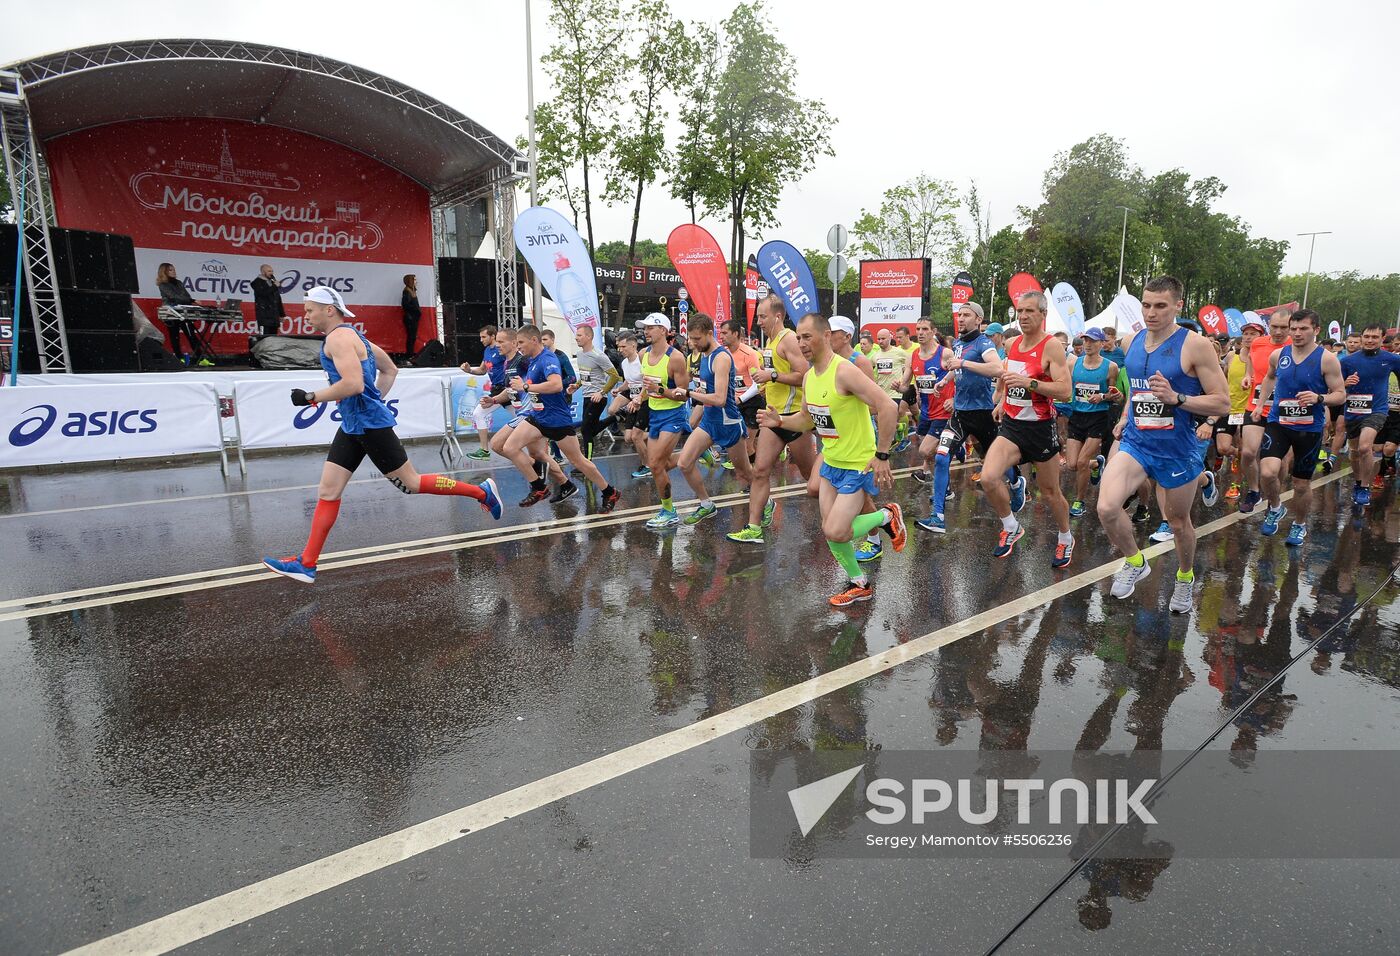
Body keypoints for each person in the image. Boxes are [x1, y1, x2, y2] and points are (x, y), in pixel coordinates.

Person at [262, 286, 502, 584]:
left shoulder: (338, 339)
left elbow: (353, 385)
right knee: (328, 490)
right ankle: (307, 563)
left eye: (310, 309)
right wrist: (375, 401)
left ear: (328, 309)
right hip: (354, 424)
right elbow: (389, 370)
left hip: (369, 425)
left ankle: (482, 492)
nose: (305, 315)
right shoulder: (354, 336)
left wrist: (312, 396)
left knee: (411, 483)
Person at [1097, 276, 1230, 613]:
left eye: (1160, 306)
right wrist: (1127, 414)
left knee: (1177, 523)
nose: (1151, 312)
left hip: (1177, 450)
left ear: (1177, 306)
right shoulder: (1131, 342)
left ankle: (1185, 578)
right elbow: (1140, 390)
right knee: (1107, 508)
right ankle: (1135, 561)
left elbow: (1222, 403)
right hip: (1137, 443)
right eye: (1146, 305)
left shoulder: (1194, 345)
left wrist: (1178, 398)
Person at [758, 313, 906, 607]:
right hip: (831, 463)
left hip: (856, 464)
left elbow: (887, 406)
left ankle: (888, 516)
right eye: (798, 337)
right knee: (833, 532)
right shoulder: (810, 377)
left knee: (836, 530)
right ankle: (859, 583)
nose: (801, 344)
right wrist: (779, 421)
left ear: (826, 336)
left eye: (807, 337)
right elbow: (805, 419)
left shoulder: (844, 372)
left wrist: (882, 454)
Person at [980, 291, 1075, 566]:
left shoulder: (1051, 346)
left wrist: (1031, 384)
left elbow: (1066, 391)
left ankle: (1065, 537)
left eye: (1029, 311)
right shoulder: (1012, 344)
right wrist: (1003, 400)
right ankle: (1011, 527)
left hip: (1040, 428)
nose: (1023, 316)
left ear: (1043, 315)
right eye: (1020, 311)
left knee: (1050, 492)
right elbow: (1009, 374)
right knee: (988, 477)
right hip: (1012, 426)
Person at [501, 325, 622, 511]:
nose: (519, 347)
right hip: (538, 417)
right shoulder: (532, 361)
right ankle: (539, 488)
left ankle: (609, 491)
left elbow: (556, 385)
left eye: (521, 343)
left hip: (557, 420)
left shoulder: (548, 358)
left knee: (578, 461)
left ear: (534, 340)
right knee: (509, 447)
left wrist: (525, 387)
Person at [728, 295, 818, 543]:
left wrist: (773, 375)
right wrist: (765, 382)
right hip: (772, 417)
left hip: (794, 418)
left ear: (777, 316)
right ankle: (754, 527)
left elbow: (805, 375)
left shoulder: (789, 339)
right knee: (760, 470)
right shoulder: (770, 341)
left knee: (812, 477)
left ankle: (839, 514)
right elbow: (773, 377)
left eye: (762, 316)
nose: (758, 321)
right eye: (758, 316)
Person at [1252, 308, 1346, 544]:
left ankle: (1300, 524)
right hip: (1279, 422)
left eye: (1303, 328)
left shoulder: (1327, 359)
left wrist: (1319, 398)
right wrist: (1260, 404)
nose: (1296, 333)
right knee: (1267, 471)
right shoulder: (1279, 355)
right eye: (1293, 328)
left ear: (1316, 330)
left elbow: (1341, 395)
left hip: (1309, 428)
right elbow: (1270, 378)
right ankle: (1275, 507)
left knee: (1301, 484)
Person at [916, 302, 1006, 535]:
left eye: (967, 315)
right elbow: (958, 369)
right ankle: (937, 516)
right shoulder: (958, 343)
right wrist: (945, 380)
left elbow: (997, 369)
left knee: (997, 463)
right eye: (959, 314)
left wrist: (963, 363)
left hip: (982, 414)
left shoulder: (984, 343)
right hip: (959, 414)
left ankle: (1017, 484)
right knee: (942, 456)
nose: (961, 318)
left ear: (978, 319)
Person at [677, 314, 754, 525]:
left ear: (709, 333)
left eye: (697, 338)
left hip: (728, 422)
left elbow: (719, 399)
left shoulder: (722, 357)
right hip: (709, 422)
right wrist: (691, 421)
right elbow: (705, 393)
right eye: (691, 339)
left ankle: (766, 503)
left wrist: (688, 394)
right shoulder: (703, 355)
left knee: (745, 472)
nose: (693, 343)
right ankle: (706, 505)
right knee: (684, 463)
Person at [636, 313, 692, 528]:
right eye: (645, 327)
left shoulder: (676, 358)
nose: (646, 331)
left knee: (656, 465)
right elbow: (646, 383)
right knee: (658, 465)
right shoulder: (643, 354)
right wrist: (639, 398)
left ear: (663, 331)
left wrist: (660, 390)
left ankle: (669, 511)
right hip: (655, 414)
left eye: (651, 327)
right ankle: (693, 452)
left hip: (674, 415)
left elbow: (684, 393)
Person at [1338, 323, 1400, 509]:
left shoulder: (1391, 359)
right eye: (1367, 337)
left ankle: (1364, 486)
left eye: (1374, 337)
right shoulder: (1348, 362)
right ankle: (1358, 482)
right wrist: (1345, 383)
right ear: (1362, 338)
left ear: (1382, 340)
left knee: (1366, 447)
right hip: (1353, 410)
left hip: (1377, 410)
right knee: (1355, 453)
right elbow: (1335, 388)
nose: (1370, 340)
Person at [1238, 309, 1292, 513]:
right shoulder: (1258, 343)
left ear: (1291, 327)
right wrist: (1247, 376)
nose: (1278, 331)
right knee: (1248, 452)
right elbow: (1252, 361)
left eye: (1283, 327)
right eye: (1274, 327)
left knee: (1282, 459)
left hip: (1285, 410)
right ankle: (1254, 491)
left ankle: (1273, 493)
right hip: (1256, 405)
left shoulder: (1295, 346)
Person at [1065, 327, 1119, 517]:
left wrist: (1102, 396)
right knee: (1071, 464)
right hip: (1077, 416)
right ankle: (1096, 464)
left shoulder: (1111, 367)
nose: (1087, 344)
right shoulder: (1073, 364)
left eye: (1092, 341)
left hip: (1098, 418)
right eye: (1085, 340)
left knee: (1081, 463)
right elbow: (1067, 387)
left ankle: (1079, 501)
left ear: (1101, 344)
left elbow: (1115, 397)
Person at [909, 317, 953, 484]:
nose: (920, 333)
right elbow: (906, 384)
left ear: (933, 332)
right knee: (928, 447)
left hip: (943, 410)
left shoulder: (945, 353)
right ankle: (950, 453)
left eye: (925, 329)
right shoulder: (913, 355)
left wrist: (954, 399)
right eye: (918, 329)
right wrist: (899, 386)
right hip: (926, 411)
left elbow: (962, 376)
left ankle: (944, 487)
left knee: (925, 450)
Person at [572, 324, 620, 468]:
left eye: (579, 335)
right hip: (587, 396)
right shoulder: (580, 354)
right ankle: (614, 418)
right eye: (576, 335)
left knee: (586, 430)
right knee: (589, 430)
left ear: (589, 337)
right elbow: (586, 375)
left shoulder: (599, 355)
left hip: (598, 398)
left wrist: (601, 392)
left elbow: (614, 376)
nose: (576, 338)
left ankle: (587, 465)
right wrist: (577, 385)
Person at [609, 332, 653, 478]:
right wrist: (619, 389)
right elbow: (629, 381)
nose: (620, 350)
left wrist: (639, 399)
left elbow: (648, 383)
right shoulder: (624, 363)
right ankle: (658, 435)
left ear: (633, 346)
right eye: (618, 347)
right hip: (633, 397)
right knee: (628, 437)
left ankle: (647, 466)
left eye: (623, 346)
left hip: (644, 399)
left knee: (636, 436)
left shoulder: (641, 361)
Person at [721, 318, 764, 465]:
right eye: (720, 333)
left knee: (746, 445)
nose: (721, 336)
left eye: (725, 333)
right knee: (737, 444)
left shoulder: (749, 354)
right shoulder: (723, 354)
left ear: (736, 333)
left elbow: (757, 384)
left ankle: (754, 479)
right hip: (733, 403)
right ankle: (756, 471)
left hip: (751, 402)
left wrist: (741, 399)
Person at [459, 325, 505, 460]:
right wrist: (469, 371)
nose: (481, 340)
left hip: (507, 389)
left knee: (527, 418)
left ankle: (545, 440)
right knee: (478, 413)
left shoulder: (501, 349)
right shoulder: (487, 351)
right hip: (496, 390)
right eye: (480, 337)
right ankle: (484, 450)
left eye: (484, 337)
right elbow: (482, 370)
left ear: (493, 336)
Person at [155, 262, 206, 365]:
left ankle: (200, 358)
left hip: (183, 312)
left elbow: (186, 295)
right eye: (170, 270)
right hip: (171, 313)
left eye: (173, 269)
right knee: (174, 336)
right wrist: (191, 300)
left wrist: (191, 300)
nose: (173, 271)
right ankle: (179, 357)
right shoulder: (163, 285)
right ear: (164, 272)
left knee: (192, 335)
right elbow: (173, 297)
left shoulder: (179, 283)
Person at [251, 264, 286, 338]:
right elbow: (263, 293)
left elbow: (278, 299)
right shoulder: (257, 282)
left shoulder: (272, 282)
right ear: (263, 272)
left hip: (274, 317)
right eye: (269, 271)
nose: (272, 273)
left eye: (272, 271)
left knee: (273, 339)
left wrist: (282, 314)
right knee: (264, 338)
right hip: (264, 316)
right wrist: (274, 286)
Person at [401, 274, 422, 358]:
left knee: (412, 337)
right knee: (411, 337)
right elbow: (405, 305)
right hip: (410, 318)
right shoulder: (406, 291)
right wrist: (415, 310)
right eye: (414, 280)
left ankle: (411, 353)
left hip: (413, 317)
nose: (416, 282)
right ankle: (409, 354)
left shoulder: (412, 291)